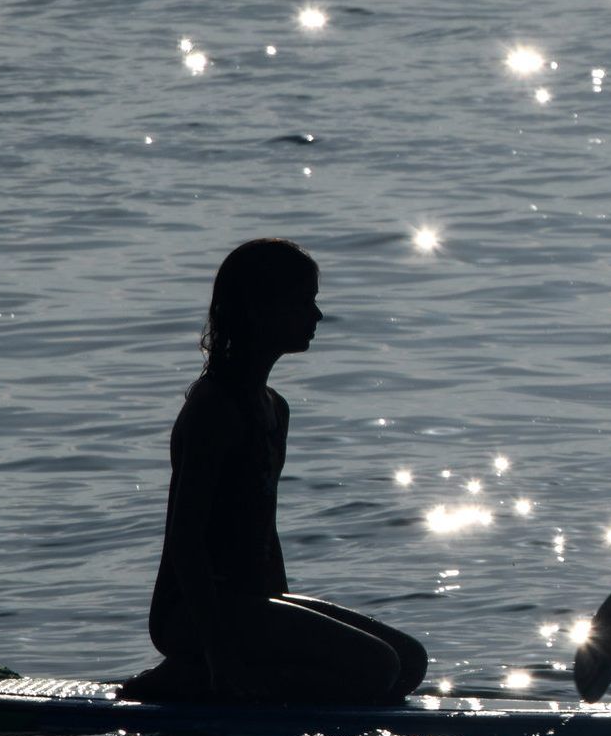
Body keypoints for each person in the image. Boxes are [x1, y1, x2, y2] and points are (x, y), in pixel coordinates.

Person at [119, 239, 428, 706]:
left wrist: (282, 617)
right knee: (377, 668)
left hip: (252, 604)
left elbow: (264, 528)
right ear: (258, 310)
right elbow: (186, 542)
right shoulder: (214, 408)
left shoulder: (274, 408)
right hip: (192, 612)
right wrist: (222, 656)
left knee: (408, 663)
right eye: (303, 302)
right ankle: (190, 676)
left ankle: (235, 671)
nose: (318, 315)